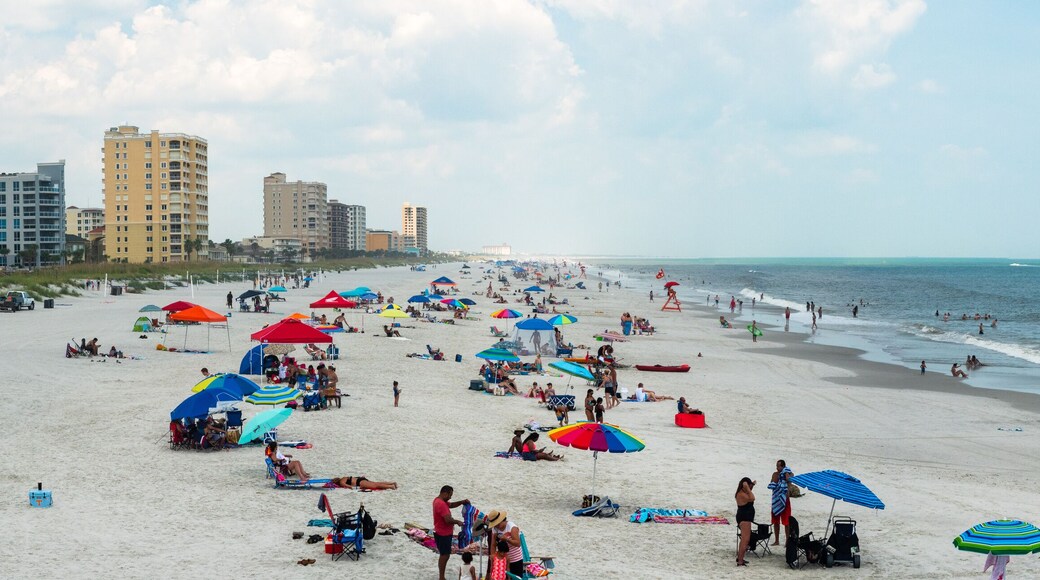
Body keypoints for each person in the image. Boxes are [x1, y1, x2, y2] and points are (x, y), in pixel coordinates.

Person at [433, 485, 470, 580]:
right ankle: (441, 577)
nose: (450, 497)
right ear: (445, 493)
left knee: (445, 554)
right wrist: (457, 522)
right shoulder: (441, 504)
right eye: (450, 495)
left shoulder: (438, 501)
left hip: (440, 532)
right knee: (444, 555)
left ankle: (442, 576)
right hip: (443, 534)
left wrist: (462, 502)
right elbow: (448, 520)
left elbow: (451, 505)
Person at [486, 510, 524, 577]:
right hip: (503, 560)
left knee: (516, 577)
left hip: (515, 559)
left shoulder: (512, 527)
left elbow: (518, 543)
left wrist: (507, 539)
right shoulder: (495, 529)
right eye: (494, 525)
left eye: (497, 524)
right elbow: (493, 544)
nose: (496, 526)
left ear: (501, 520)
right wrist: (493, 557)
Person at [768, 460, 793, 546]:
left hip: (785, 500)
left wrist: (786, 474)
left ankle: (787, 540)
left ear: (783, 467)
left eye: (779, 466)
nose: (777, 468)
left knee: (786, 522)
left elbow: (789, 480)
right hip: (776, 499)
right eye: (776, 466)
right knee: (775, 521)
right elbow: (772, 483)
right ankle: (776, 540)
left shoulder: (789, 473)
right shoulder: (775, 474)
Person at [735, 477, 756, 567]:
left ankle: (740, 558)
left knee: (744, 539)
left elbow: (749, 493)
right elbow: (752, 498)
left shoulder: (743, 492)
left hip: (745, 517)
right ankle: (740, 561)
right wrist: (748, 488)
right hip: (744, 518)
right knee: (745, 540)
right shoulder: (741, 494)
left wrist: (751, 486)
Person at [330, 475, 397, 490]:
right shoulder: (344, 477)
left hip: (359, 482)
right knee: (376, 483)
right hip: (360, 479)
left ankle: (391, 486)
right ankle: (391, 483)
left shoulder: (341, 482)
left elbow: (350, 486)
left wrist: (357, 488)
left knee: (375, 486)